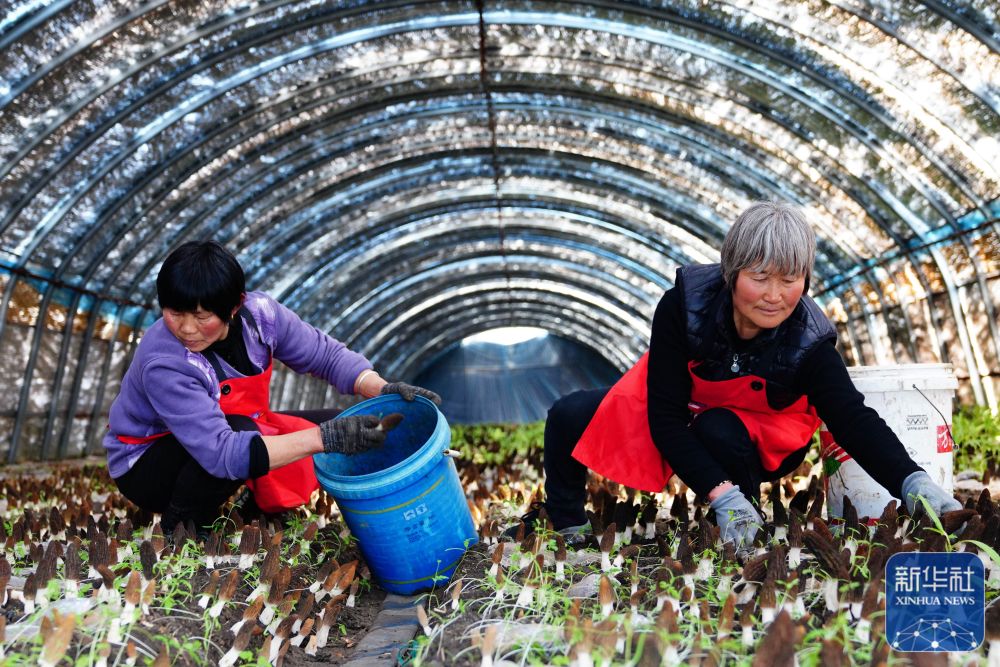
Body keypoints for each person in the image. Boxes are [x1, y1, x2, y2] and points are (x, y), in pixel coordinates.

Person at [512, 201, 959, 549]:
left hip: (759, 435)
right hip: (683, 410)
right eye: (760, 277)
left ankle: (746, 520)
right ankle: (569, 523)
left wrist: (913, 482)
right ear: (731, 271)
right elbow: (664, 415)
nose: (774, 296)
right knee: (570, 414)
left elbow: (852, 420)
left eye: (790, 279)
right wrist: (717, 495)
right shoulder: (684, 307)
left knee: (718, 427)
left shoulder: (810, 340)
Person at [104, 241, 441, 534]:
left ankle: (257, 506)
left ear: (234, 307)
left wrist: (380, 389)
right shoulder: (164, 360)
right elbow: (221, 452)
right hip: (148, 465)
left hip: (232, 429)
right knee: (253, 431)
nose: (187, 328)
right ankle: (183, 523)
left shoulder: (261, 317)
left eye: (201, 315)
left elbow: (325, 355)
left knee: (345, 419)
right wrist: (326, 438)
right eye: (174, 313)